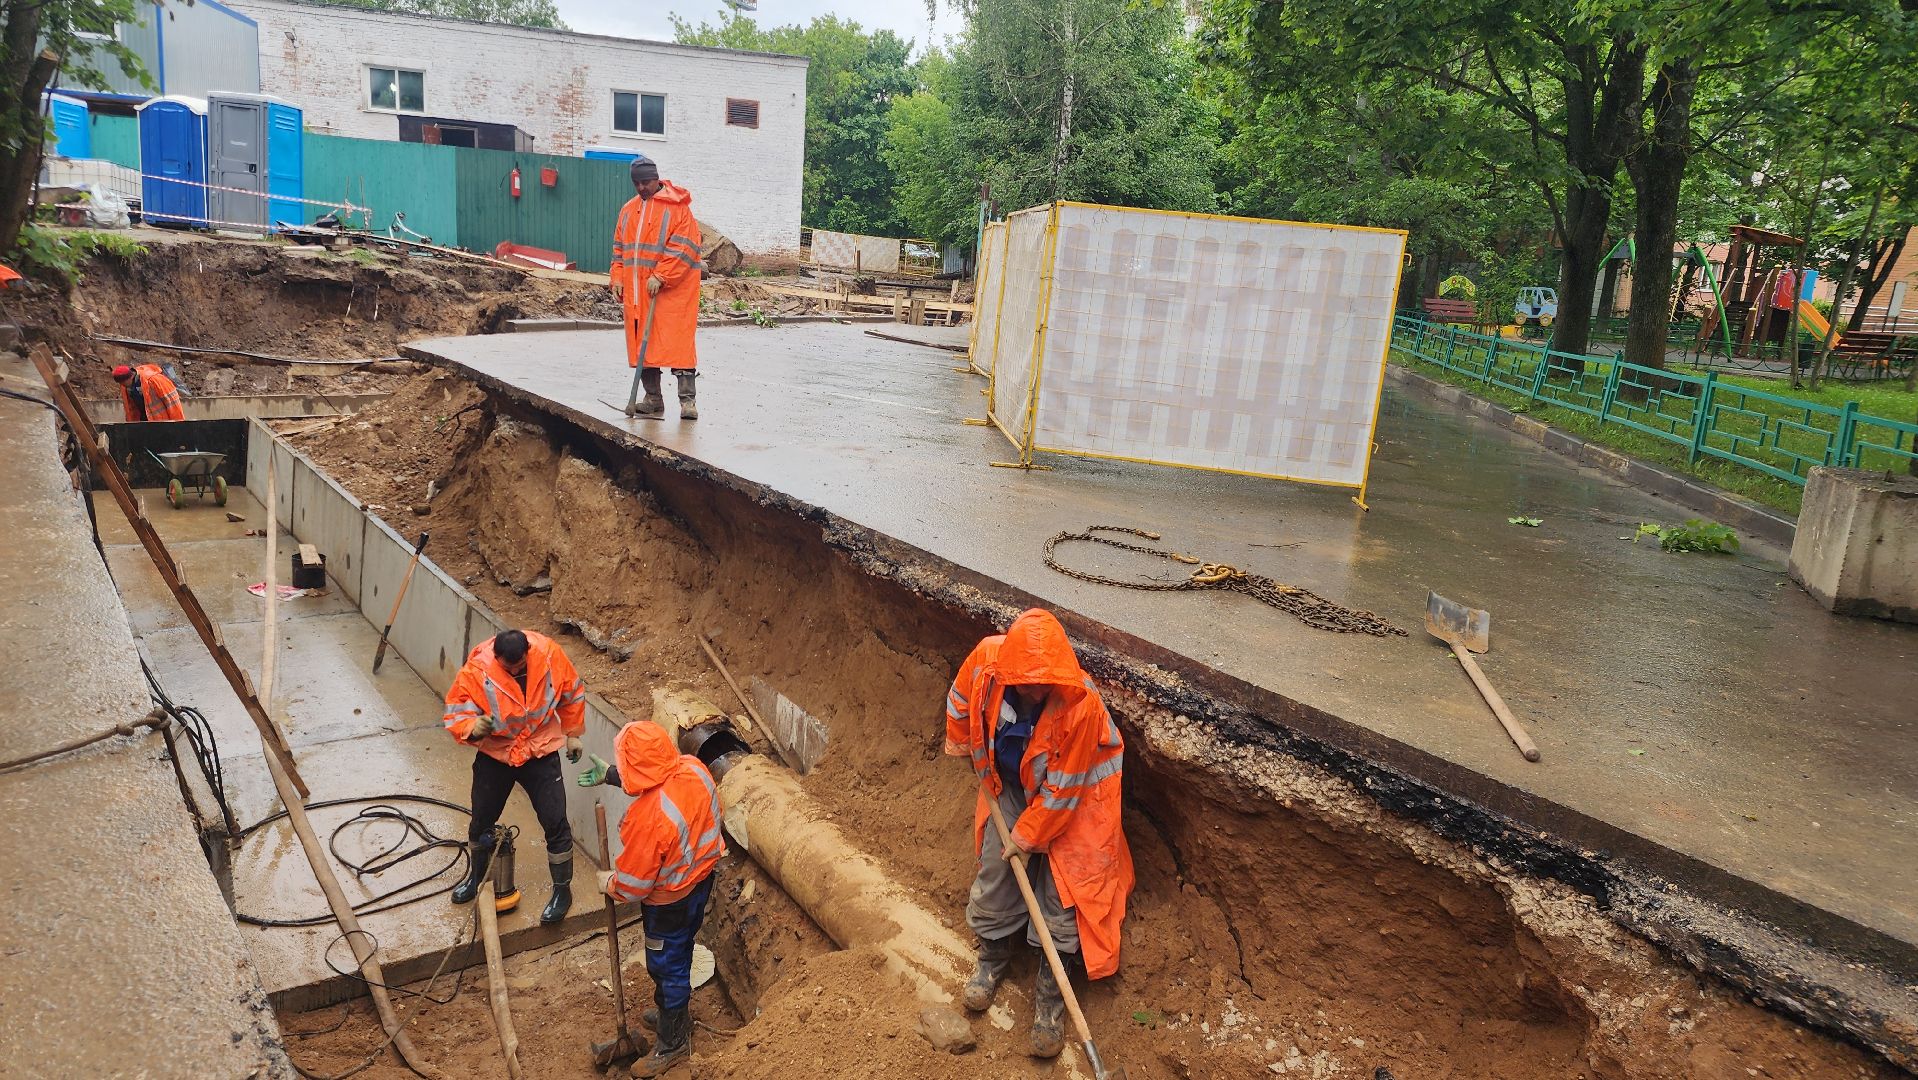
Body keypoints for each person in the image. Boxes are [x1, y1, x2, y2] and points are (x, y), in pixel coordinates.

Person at [943, 608, 1135, 1058]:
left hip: (1081, 796)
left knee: (1065, 894)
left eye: (1040, 682)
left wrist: (1025, 839)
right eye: (1023, 681)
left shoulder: (1079, 704)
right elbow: (960, 700)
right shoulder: (989, 662)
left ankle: (1051, 998)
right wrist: (962, 742)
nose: (1031, 689)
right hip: (1014, 782)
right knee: (996, 867)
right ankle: (992, 960)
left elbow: (1062, 794)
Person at [579, 721, 726, 1077]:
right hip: (701, 880)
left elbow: (633, 886)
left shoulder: (648, 819)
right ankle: (671, 1016)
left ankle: (673, 1043)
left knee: (666, 964)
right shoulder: (694, 768)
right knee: (682, 950)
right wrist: (614, 775)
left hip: (669, 903)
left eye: (624, 764)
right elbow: (659, 779)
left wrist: (609, 882)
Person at [442, 629, 587, 924]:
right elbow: (457, 712)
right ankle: (477, 880)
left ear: (527, 654)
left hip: (539, 749)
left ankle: (562, 891)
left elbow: (571, 692)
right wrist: (473, 727)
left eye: (521, 665)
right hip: (499, 752)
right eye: (511, 668)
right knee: (481, 820)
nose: (517, 670)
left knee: (555, 821)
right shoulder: (478, 669)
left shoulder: (547, 655)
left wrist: (573, 734)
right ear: (497, 658)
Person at [610, 154, 703, 420]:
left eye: (646, 182)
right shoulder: (628, 211)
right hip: (640, 294)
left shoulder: (678, 209)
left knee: (679, 345)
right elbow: (619, 251)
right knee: (644, 347)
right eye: (636, 183)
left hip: (673, 293)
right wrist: (617, 278)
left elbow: (685, 247)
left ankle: (687, 402)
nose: (641, 188)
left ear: (657, 178)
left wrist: (661, 275)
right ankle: (653, 399)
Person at [112, 363, 185, 422]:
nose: (122, 386)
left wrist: (178, 425)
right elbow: (130, 409)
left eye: (123, 383)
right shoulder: (127, 387)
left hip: (162, 423)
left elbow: (173, 404)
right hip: (145, 422)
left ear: (129, 378)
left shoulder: (155, 380)